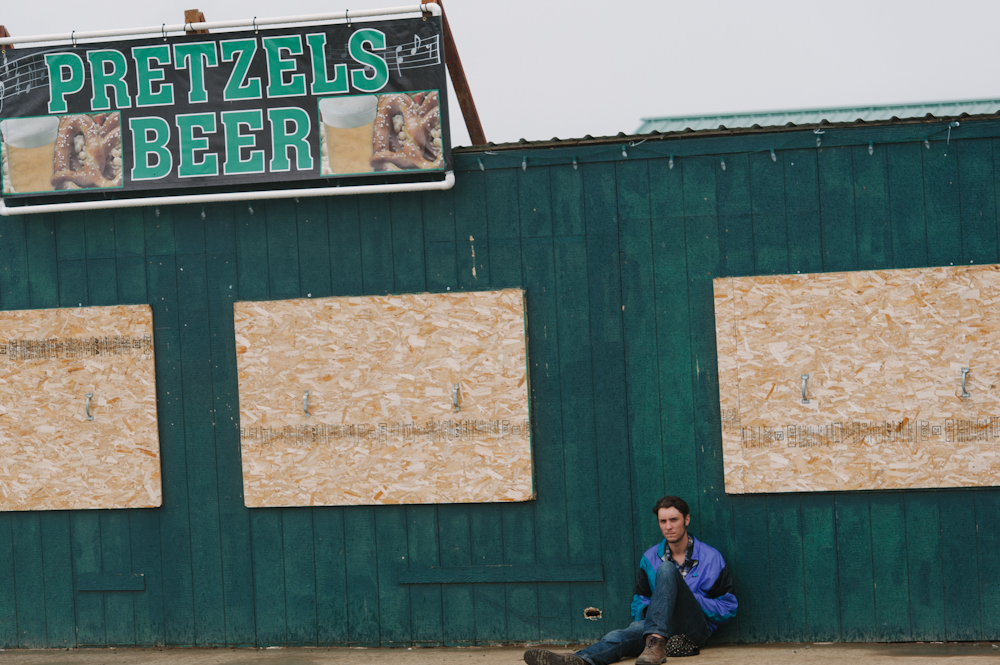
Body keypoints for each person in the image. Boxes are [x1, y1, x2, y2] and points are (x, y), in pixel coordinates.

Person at [523, 496, 737, 665]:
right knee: (619, 635)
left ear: (686, 520)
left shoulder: (711, 557)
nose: (668, 527)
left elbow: (728, 607)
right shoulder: (650, 557)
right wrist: (655, 612)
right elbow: (640, 600)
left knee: (666, 569)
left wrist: (687, 598)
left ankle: (655, 642)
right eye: (663, 521)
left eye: (674, 520)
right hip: (659, 630)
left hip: (694, 630)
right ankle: (579, 659)